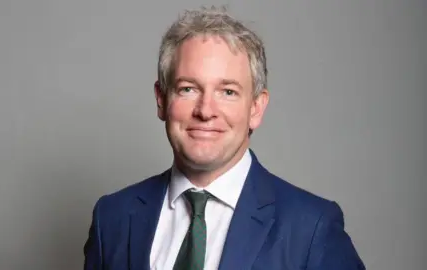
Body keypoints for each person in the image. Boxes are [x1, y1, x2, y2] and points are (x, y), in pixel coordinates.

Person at [83, 6, 365, 270]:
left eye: (227, 92)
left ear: (256, 108)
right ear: (161, 99)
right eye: (188, 89)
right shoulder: (112, 219)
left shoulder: (312, 228)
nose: (206, 111)